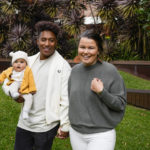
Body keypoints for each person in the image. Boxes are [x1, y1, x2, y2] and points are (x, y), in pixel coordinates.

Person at [14, 21, 71, 150]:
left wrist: (65, 125)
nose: (47, 44)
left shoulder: (63, 66)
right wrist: (17, 95)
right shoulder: (29, 61)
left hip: (45, 126)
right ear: (37, 41)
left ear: (56, 42)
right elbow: (19, 84)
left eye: (51, 40)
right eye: (43, 39)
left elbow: (66, 99)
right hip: (24, 123)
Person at [68, 29, 127, 150]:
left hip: (101, 135)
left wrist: (102, 92)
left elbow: (120, 104)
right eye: (82, 47)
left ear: (98, 50)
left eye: (91, 48)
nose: (85, 52)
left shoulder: (110, 71)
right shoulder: (74, 71)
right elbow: (71, 101)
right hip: (76, 133)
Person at [0, 51, 36, 120]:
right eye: (16, 62)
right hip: (15, 84)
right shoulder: (10, 70)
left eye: (22, 62)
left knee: (29, 98)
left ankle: (26, 111)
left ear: (26, 64)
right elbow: (3, 74)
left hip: (24, 88)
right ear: (13, 63)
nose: (18, 64)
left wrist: (32, 89)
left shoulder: (28, 71)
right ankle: (14, 93)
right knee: (14, 84)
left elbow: (31, 80)